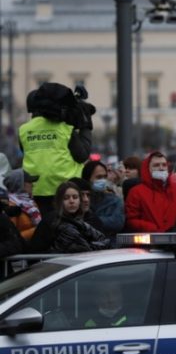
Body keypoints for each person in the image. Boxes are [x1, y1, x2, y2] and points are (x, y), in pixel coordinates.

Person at [19, 83, 93, 217]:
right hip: (65, 191)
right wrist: (85, 126)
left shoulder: (24, 130)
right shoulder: (64, 129)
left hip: (35, 190)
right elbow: (82, 155)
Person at [29, 181, 109, 253]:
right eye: (66, 198)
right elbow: (36, 250)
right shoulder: (51, 221)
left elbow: (103, 240)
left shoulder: (84, 222)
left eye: (75, 197)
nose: (71, 201)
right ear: (59, 201)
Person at [124, 151, 176, 232]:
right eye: (156, 165)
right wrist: (152, 228)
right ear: (147, 169)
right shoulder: (136, 192)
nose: (161, 168)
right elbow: (131, 219)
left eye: (164, 165)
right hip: (149, 241)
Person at [81, 160, 124, 236]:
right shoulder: (80, 200)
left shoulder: (114, 201)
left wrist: (95, 221)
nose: (103, 181)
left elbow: (117, 223)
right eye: (99, 177)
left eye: (104, 177)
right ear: (87, 179)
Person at [2, 169, 42, 241]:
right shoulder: (11, 207)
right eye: (29, 182)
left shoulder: (29, 202)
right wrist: (37, 231)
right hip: (21, 249)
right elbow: (12, 237)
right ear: (20, 184)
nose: (32, 184)